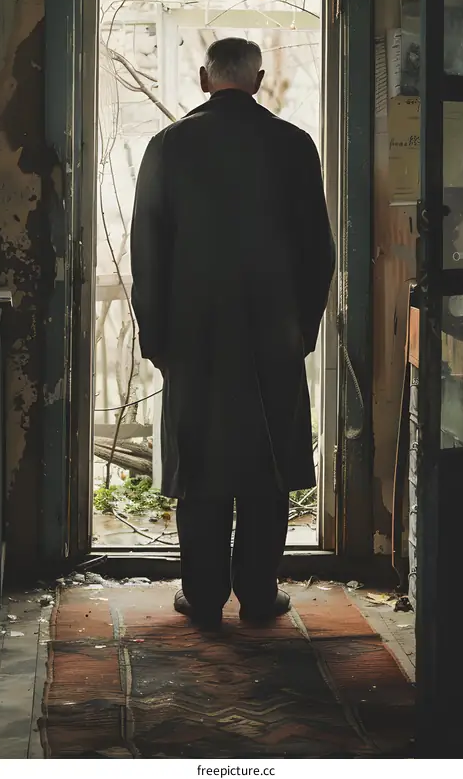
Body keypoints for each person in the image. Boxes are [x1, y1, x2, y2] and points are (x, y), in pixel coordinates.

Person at [130, 37, 335, 629]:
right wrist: (302, 326)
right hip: (274, 330)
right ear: (259, 79)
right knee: (267, 461)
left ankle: (204, 596)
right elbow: (317, 251)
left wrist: (156, 336)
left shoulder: (167, 146)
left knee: (201, 462)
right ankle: (257, 594)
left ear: (202, 77)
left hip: (193, 335)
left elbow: (148, 251)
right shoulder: (294, 146)